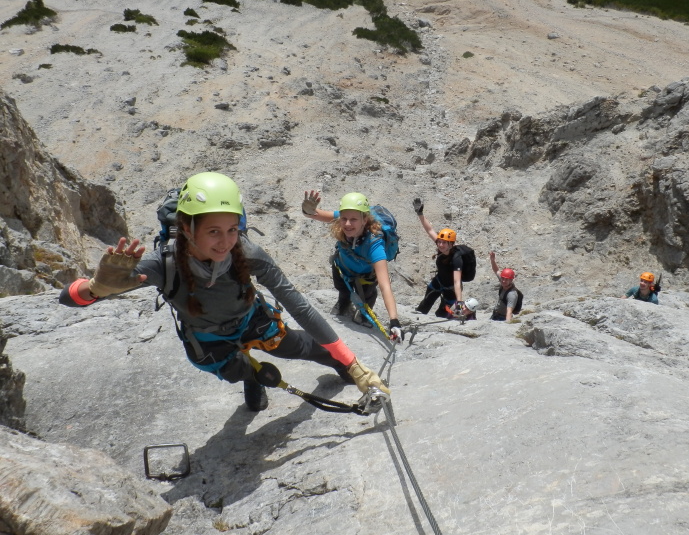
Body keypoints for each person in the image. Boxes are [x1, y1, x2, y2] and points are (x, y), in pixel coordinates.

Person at [60, 172, 389, 413]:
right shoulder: (164, 262)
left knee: (299, 347)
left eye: (232, 229)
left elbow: (300, 307)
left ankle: (337, 367)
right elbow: (68, 298)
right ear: (187, 229)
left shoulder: (248, 252)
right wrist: (95, 288)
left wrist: (354, 365)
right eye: (213, 231)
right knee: (235, 371)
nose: (225, 241)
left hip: (249, 318)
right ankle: (251, 374)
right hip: (207, 339)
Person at [301, 190, 403, 341]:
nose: (347, 224)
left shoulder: (375, 244)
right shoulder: (347, 218)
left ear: (365, 220)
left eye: (354, 219)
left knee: (367, 296)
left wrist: (394, 320)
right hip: (343, 269)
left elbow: (384, 285)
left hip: (365, 277)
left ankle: (363, 315)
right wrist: (307, 210)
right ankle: (344, 304)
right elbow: (314, 214)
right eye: (344, 218)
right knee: (342, 289)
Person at [411, 197, 466, 318]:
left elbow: (457, 282)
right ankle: (419, 317)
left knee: (443, 312)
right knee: (424, 305)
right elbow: (429, 229)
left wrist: (459, 304)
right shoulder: (442, 248)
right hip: (438, 282)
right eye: (439, 242)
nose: (440, 244)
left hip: (451, 289)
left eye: (444, 242)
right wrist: (420, 213)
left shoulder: (457, 259)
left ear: (451, 244)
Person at [489, 251, 522, 321]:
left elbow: (509, 312)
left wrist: (507, 325)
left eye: (506, 279)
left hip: (502, 317)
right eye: (502, 278)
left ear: (511, 280)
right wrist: (492, 260)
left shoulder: (512, 294)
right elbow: (496, 270)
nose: (503, 281)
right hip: (495, 314)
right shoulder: (503, 280)